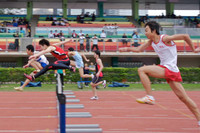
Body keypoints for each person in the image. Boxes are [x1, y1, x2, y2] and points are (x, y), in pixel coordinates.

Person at [119, 21, 200, 126]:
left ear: (154, 30)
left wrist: (193, 49)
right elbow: (139, 49)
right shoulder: (151, 42)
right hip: (167, 69)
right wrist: (126, 49)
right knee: (184, 98)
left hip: (170, 68)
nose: (145, 33)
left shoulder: (164, 38)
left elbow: (185, 36)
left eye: (147, 30)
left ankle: (150, 97)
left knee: (142, 70)